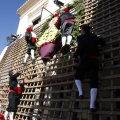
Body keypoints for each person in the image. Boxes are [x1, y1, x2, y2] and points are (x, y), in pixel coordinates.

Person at [73, 24, 105, 112]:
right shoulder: (94, 36)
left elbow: (81, 49)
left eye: (81, 29)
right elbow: (103, 42)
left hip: (85, 61)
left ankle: (81, 93)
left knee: (77, 76)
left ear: (83, 30)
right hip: (94, 60)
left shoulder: (80, 38)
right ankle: (92, 105)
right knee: (93, 82)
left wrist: (74, 54)